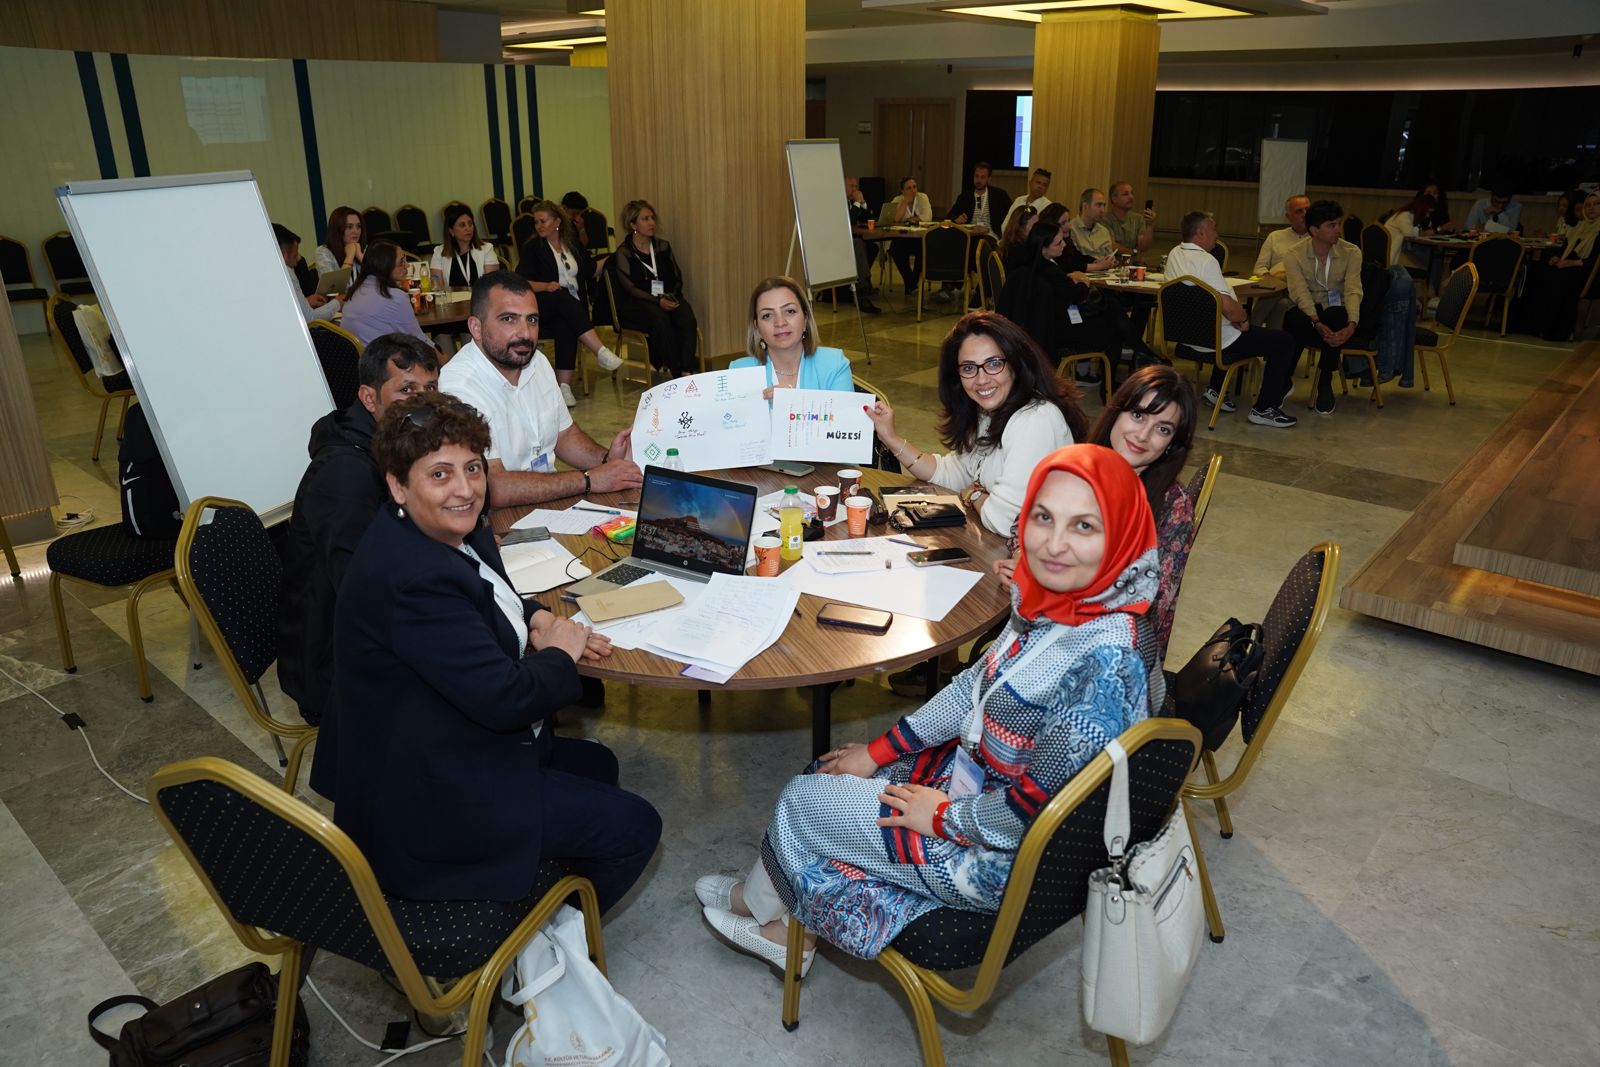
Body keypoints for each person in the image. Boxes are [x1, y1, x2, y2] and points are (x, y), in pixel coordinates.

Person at [695, 443, 1164, 968]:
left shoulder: (1105, 666)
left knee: (805, 800)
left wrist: (941, 817)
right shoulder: (1059, 601)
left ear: (1120, 537)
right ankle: (774, 909)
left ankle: (771, 921)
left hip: (996, 856)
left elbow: (1038, 812)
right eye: (1043, 517)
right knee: (835, 768)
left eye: (1084, 526)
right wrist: (877, 751)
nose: (1054, 544)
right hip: (983, 785)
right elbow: (972, 689)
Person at [327, 392, 660, 911]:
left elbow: (488, 591)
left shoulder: (444, 530)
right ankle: (537, 934)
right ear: (397, 484)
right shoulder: (412, 580)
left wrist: (537, 617)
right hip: (430, 791)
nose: (465, 490)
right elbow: (506, 698)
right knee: (637, 826)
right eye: (440, 474)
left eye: (473, 468)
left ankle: (540, 890)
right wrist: (561, 653)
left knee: (598, 764)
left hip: (443, 733)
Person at [279, 334, 440, 796]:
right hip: (334, 665)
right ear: (370, 399)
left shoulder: (391, 446)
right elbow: (364, 594)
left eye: (430, 389)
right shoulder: (345, 474)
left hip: (362, 634)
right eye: (407, 390)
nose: (423, 403)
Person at [996, 365, 1197, 659]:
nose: (1143, 435)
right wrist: (1019, 557)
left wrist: (1043, 579)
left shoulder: (1173, 505)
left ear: (1171, 445)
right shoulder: (1080, 466)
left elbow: (1153, 598)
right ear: (1117, 412)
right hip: (1041, 630)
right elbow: (1022, 523)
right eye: (1137, 415)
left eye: (1163, 429)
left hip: (1111, 653)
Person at [865, 311, 1084, 537]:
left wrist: (973, 494)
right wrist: (890, 438)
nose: (981, 379)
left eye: (994, 364)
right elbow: (952, 474)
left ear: (1016, 364)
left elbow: (1005, 521)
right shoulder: (989, 412)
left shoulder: (1035, 420)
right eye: (969, 368)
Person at [438, 272, 641, 508]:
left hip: (550, 500)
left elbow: (564, 435)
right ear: (476, 327)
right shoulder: (459, 386)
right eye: (509, 319)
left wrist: (606, 460)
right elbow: (493, 486)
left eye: (532, 320)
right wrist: (588, 480)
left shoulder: (537, 361)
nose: (525, 333)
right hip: (500, 516)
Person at [1164, 211, 1300, 427]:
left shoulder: (1174, 253)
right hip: (1214, 341)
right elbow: (1229, 308)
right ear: (1200, 233)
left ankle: (1216, 389)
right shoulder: (1206, 261)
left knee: (1238, 332)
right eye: (1214, 229)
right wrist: (1243, 318)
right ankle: (1265, 408)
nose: (1217, 234)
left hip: (1187, 337)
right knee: (1284, 342)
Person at [995, 220, 1164, 381]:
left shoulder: (1023, 268)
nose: (1064, 244)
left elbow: (1063, 288)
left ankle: (1140, 354)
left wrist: (1069, 278)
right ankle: (1119, 375)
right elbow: (1078, 294)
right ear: (1043, 248)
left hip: (1033, 333)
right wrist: (1083, 281)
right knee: (1114, 324)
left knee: (1113, 311)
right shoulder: (1049, 271)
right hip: (1056, 335)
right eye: (1058, 243)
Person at [515, 198, 623, 407]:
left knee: (565, 325)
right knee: (561, 297)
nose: (538, 226)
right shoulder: (532, 247)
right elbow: (521, 281)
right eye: (536, 222)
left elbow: (591, 269)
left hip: (570, 309)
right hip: (543, 305)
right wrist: (545, 286)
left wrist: (614, 257)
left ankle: (563, 387)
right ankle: (599, 351)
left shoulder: (571, 243)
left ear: (557, 222)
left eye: (543, 221)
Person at [1283, 200, 1364, 416]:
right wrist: (1316, 322)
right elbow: (1299, 292)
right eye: (1331, 225)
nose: (1338, 230)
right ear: (1314, 230)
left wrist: (1352, 324)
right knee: (1297, 320)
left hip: (1334, 311)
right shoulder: (1294, 254)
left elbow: (1353, 290)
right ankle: (1284, 377)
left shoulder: (1351, 252)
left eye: (1339, 224)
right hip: (1306, 310)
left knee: (1337, 315)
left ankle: (1325, 381)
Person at [611, 199, 701, 376]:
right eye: (645, 219)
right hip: (638, 302)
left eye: (652, 218)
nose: (652, 223)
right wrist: (657, 301)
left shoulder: (662, 246)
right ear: (633, 225)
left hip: (665, 297)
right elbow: (630, 287)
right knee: (660, 320)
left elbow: (677, 277)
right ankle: (676, 372)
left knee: (686, 317)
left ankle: (687, 370)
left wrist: (671, 295)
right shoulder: (624, 252)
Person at [730, 277, 852, 397]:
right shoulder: (739, 372)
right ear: (757, 328)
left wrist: (791, 401)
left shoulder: (834, 364)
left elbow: (844, 411)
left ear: (805, 319)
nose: (780, 323)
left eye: (790, 311)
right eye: (767, 315)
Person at [1513, 191, 1600, 342]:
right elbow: (1569, 249)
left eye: (1597, 204)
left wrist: (1567, 263)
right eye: (1588, 205)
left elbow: (1592, 261)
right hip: (1573, 267)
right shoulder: (1583, 226)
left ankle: (1555, 330)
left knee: (1557, 278)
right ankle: (1530, 324)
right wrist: (1558, 258)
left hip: (1590, 274)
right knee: (1534, 271)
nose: (1591, 208)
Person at [339, 241, 432, 347]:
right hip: (382, 356)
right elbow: (419, 341)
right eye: (401, 262)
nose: (407, 265)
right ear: (385, 266)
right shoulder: (395, 297)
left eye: (405, 259)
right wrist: (441, 355)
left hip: (359, 355)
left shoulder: (354, 291)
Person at [273, 223, 340, 323]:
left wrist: (305, 302)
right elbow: (309, 318)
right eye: (294, 256)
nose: (297, 261)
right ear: (283, 255)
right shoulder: (287, 272)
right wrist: (338, 303)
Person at [880, 177, 932, 295]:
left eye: (914, 187)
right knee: (895, 249)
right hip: (902, 238)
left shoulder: (923, 197)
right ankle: (911, 283)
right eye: (908, 188)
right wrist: (905, 202)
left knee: (923, 250)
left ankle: (912, 282)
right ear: (902, 191)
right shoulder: (897, 200)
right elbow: (895, 219)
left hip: (918, 238)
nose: (913, 190)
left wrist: (912, 219)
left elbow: (927, 217)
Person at [429, 203, 501, 290]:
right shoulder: (439, 252)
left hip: (479, 298)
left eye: (470, 224)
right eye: (462, 225)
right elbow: (437, 287)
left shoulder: (487, 249)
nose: (468, 228)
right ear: (451, 231)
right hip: (451, 299)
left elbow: (491, 286)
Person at [844, 176, 883, 314]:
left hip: (853, 239)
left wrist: (863, 203)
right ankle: (863, 292)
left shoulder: (853, 202)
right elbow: (848, 220)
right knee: (859, 244)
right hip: (840, 242)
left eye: (856, 186)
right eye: (851, 186)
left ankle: (863, 281)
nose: (854, 189)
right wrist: (856, 203)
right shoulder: (839, 201)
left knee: (872, 248)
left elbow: (868, 218)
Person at [1253, 194, 1311, 278]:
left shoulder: (1320, 238)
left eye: (1308, 210)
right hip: (1277, 282)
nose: (1305, 214)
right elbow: (1259, 268)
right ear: (1288, 217)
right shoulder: (1275, 236)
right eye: (1299, 211)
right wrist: (1271, 280)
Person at [946, 161, 1011, 232]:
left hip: (990, 233)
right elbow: (950, 216)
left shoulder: (999, 195)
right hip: (970, 234)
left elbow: (1012, 213)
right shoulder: (965, 197)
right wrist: (956, 219)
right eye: (976, 176)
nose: (978, 180)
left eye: (982, 177)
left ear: (989, 179)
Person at [1383, 193, 1437, 268]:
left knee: (1428, 258)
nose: (1428, 215)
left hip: (1397, 250)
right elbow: (1409, 232)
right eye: (1428, 212)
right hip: (1392, 252)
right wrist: (1424, 233)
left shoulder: (1408, 215)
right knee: (1427, 261)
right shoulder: (1405, 215)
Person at [1104, 181, 1156, 257]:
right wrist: (1134, 252)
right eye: (1125, 194)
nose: (1131, 197)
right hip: (1111, 262)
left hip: (1133, 262)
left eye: (1132, 193)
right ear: (1114, 199)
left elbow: (1143, 247)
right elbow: (1111, 245)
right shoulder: (1104, 219)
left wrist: (1150, 225)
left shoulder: (1138, 219)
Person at [1069, 188, 1119, 263]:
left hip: (1105, 269)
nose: (1103, 210)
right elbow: (1073, 261)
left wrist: (1112, 261)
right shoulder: (1070, 229)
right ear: (1085, 206)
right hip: (1083, 269)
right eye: (1099, 205)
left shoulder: (1104, 231)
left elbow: (1110, 257)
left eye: (1104, 205)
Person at [999, 167, 1053, 232]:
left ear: (1047, 188)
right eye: (1038, 183)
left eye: (1044, 185)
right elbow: (1006, 224)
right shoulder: (1019, 200)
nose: (1040, 187)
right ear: (1030, 182)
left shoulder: (1048, 207)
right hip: (1011, 236)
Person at [316, 205, 365, 273]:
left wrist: (360, 256)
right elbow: (333, 280)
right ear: (337, 229)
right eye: (349, 227)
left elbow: (378, 277)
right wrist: (349, 256)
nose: (356, 231)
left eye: (358, 226)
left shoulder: (365, 249)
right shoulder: (323, 252)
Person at [995, 204, 1038, 270]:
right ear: (1021, 227)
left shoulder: (1008, 243)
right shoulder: (1021, 251)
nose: (1038, 228)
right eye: (1035, 225)